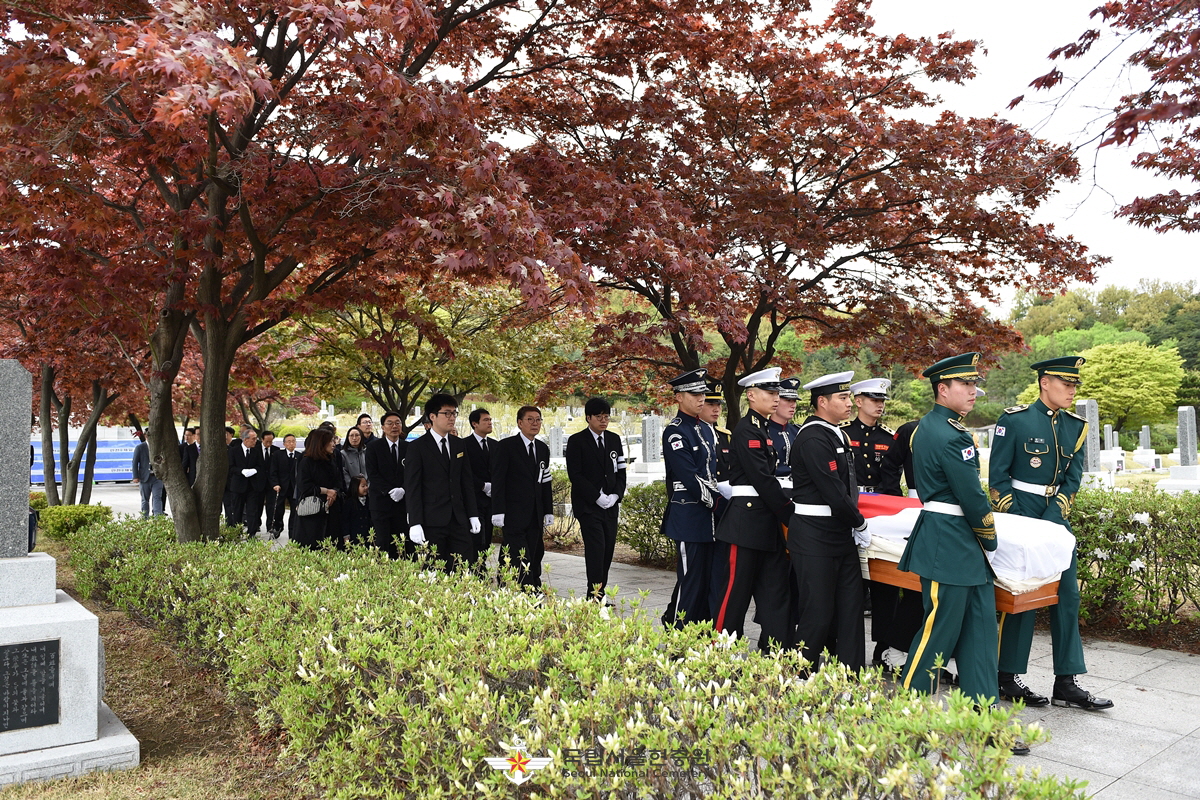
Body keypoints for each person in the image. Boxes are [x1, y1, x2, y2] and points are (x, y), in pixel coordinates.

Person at [991, 356, 1113, 711]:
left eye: (1075, 385)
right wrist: (1020, 518)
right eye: (1066, 384)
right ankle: (1007, 676)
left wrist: (1055, 514)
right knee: (1023, 598)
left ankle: (1067, 681)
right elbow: (997, 480)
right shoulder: (1014, 420)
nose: (1073, 391)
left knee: (1068, 595)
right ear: (1045, 383)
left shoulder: (1076, 425)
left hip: (1055, 516)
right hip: (1021, 515)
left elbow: (1072, 478)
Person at [897, 354, 1001, 705]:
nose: (974, 392)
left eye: (974, 384)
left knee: (980, 632)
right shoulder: (949, 434)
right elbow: (971, 494)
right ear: (943, 389)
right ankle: (909, 711)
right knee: (938, 632)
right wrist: (989, 533)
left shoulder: (933, 426)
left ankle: (983, 712)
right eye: (967, 385)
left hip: (957, 541)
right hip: (950, 540)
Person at [710, 367, 794, 652]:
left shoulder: (764, 428)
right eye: (770, 393)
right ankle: (722, 648)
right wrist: (790, 514)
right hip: (746, 523)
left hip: (765, 523)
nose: (776, 398)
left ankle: (776, 648)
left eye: (776, 393)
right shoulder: (747, 430)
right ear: (751, 395)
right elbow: (762, 479)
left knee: (775, 592)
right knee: (735, 592)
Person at [789, 371, 868, 671]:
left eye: (848, 397)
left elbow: (848, 485)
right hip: (813, 536)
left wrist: (853, 523)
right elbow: (832, 489)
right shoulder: (812, 438)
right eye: (843, 398)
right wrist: (860, 523)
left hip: (839, 534)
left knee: (850, 609)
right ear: (822, 402)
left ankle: (851, 673)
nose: (850, 403)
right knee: (817, 611)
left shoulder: (837, 433)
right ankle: (800, 671)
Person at [660, 369, 723, 627]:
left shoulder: (707, 429)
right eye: (694, 394)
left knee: (708, 582)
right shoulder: (675, 432)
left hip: (710, 521)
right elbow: (690, 477)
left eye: (702, 393)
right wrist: (718, 502)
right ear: (678, 397)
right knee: (691, 582)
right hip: (690, 517)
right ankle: (678, 633)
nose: (701, 398)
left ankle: (700, 633)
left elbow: (715, 472)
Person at [404, 393, 481, 571]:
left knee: (463, 568)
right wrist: (415, 522)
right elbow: (413, 486)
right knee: (434, 570)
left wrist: (472, 514)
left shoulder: (459, 445)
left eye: (454, 413)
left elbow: (466, 482)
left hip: (458, 519)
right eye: (447, 413)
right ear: (432, 416)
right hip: (431, 520)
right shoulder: (417, 447)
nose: (452, 417)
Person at [566, 397, 627, 601]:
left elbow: (621, 472)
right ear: (588, 418)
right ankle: (594, 597)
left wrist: (616, 495)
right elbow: (575, 475)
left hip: (610, 505)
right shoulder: (577, 441)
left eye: (606, 417)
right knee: (596, 550)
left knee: (608, 550)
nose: (603, 421)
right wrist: (596, 496)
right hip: (589, 506)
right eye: (599, 417)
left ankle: (600, 595)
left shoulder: (614, 439)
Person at [490, 406, 553, 588]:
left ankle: (503, 579)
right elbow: (498, 480)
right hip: (512, 511)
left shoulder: (542, 448)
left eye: (538, 420)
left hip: (535, 512)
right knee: (520, 552)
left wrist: (548, 510)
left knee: (534, 550)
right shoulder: (506, 446)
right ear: (519, 423)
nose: (535, 423)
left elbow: (545, 480)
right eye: (530, 419)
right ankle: (530, 587)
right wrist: (498, 510)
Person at [364, 411, 409, 559]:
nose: (394, 426)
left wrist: (403, 489)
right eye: (390, 423)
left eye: (398, 423)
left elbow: (413, 473)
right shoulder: (373, 447)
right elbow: (372, 474)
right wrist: (389, 490)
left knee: (402, 543)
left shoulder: (409, 448)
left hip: (403, 504)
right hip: (381, 503)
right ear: (383, 427)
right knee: (383, 542)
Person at [292, 427, 342, 550]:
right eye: (330, 441)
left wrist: (335, 491)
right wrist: (326, 491)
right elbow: (304, 486)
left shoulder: (331, 460)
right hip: (312, 513)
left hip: (331, 510)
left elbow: (339, 482)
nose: (333, 444)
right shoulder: (306, 461)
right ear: (321, 443)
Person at [844, 378, 894, 492]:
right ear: (858, 402)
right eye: (875, 400)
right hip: (850, 497)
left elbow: (892, 473)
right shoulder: (844, 432)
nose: (880, 405)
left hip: (880, 498)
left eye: (882, 401)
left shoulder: (888, 437)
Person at [464, 408, 496, 562]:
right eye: (486, 420)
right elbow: (464, 473)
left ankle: (482, 568)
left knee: (487, 538)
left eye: (490, 420)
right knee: (476, 538)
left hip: (492, 500)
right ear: (474, 423)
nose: (490, 423)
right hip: (474, 499)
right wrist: (483, 485)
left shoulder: (496, 445)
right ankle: (475, 570)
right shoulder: (464, 445)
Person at [228, 429, 268, 537]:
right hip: (238, 486)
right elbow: (231, 467)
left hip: (252, 486)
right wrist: (241, 471)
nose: (256, 441)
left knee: (252, 511)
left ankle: (252, 533)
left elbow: (261, 466)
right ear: (245, 439)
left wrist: (254, 470)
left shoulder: (256, 451)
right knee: (237, 511)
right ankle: (236, 533)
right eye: (253, 439)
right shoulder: (234, 451)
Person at [268, 433, 300, 538]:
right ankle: (278, 527)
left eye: (293, 441)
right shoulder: (278, 455)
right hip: (281, 486)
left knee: (294, 510)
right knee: (278, 509)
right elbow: (273, 470)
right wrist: (275, 483)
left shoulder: (299, 456)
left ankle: (293, 531)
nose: (291, 443)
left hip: (294, 488)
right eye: (289, 441)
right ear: (284, 444)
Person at [132, 432, 164, 518]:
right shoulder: (140, 448)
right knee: (145, 499)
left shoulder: (159, 447)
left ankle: (158, 517)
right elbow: (135, 462)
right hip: (145, 477)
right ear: (146, 436)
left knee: (157, 497)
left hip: (157, 477)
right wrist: (135, 476)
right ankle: (145, 517)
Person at [343, 475, 373, 547]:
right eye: (363, 486)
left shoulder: (369, 501)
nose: (366, 488)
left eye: (366, 485)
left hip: (367, 535)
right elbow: (345, 520)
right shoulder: (349, 502)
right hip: (355, 535)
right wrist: (346, 535)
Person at [260, 430, 279, 534]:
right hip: (259, 483)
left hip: (271, 483)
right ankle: (256, 524)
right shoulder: (256, 449)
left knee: (271, 506)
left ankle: (270, 526)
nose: (269, 444)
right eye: (267, 441)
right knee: (258, 505)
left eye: (271, 441)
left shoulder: (276, 451)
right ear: (262, 439)